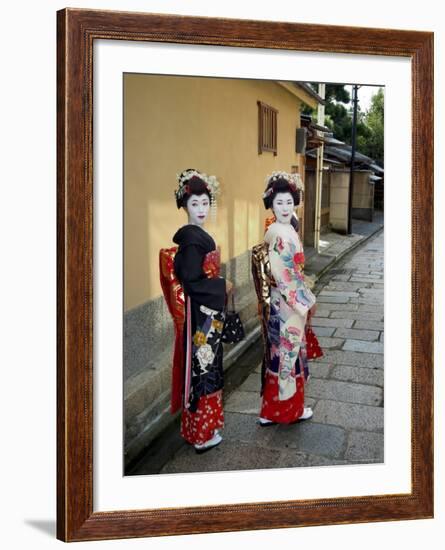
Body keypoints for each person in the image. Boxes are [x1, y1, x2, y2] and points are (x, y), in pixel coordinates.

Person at [159, 169, 231, 453]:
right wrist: (221, 285)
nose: (201, 209)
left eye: (204, 203)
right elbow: (191, 281)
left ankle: (198, 430)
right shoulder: (190, 241)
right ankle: (201, 434)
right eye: (194, 204)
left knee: (206, 366)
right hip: (201, 316)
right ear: (184, 205)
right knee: (204, 368)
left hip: (206, 313)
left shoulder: (196, 236)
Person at [252, 171, 317, 426]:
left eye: (289, 202)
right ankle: (289, 411)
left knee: (278, 354)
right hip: (287, 303)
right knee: (288, 355)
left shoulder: (283, 228)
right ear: (271, 203)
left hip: (281, 302)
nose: (285, 207)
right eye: (279, 202)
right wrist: (307, 301)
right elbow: (285, 275)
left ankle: (270, 412)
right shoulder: (280, 233)